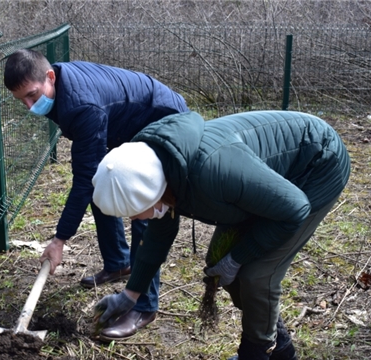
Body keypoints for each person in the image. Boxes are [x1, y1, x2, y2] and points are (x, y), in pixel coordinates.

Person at [91, 110, 351, 359]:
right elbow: (158, 237)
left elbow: (295, 209)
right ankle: (279, 348)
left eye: (136, 210)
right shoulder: (160, 168)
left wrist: (237, 257)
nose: (135, 218)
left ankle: (256, 353)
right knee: (220, 263)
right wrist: (130, 295)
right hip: (263, 186)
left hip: (315, 164)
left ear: (154, 191)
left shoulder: (212, 171)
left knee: (256, 276)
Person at [3, 49, 189, 340]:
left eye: (33, 95)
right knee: (102, 185)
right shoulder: (57, 86)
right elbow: (90, 177)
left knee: (145, 206)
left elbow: (82, 181)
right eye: (22, 100)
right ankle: (119, 263)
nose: (29, 106)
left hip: (161, 118)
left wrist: (59, 239)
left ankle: (144, 305)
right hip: (123, 124)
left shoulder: (81, 106)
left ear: (50, 76)